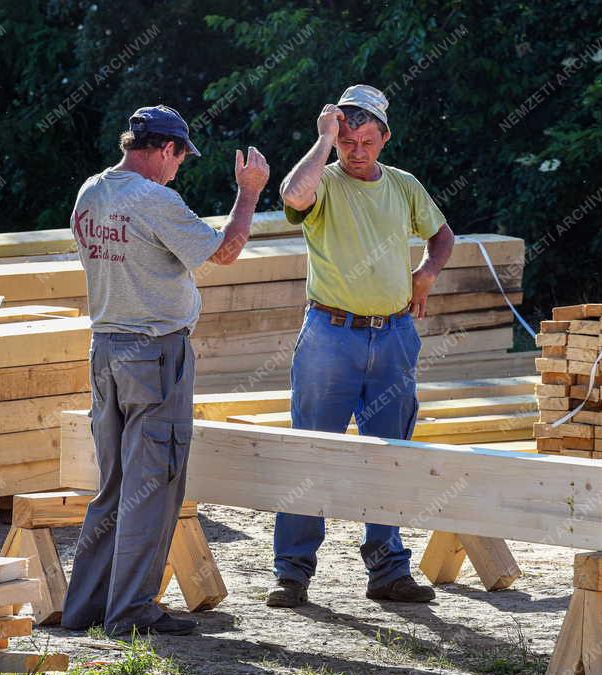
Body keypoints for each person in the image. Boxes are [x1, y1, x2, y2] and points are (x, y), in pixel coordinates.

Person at [61, 105, 269, 636]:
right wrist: (248, 192)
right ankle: (130, 612)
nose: (180, 169)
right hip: (154, 353)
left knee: (112, 486)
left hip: (105, 349)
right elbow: (224, 252)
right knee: (153, 485)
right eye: (180, 157)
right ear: (166, 149)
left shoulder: (92, 191)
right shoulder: (155, 199)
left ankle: (86, 606)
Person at [270, 84, 456, 608]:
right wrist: (323, 139)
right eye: (348, 140)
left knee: (391, 455)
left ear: (384, 139)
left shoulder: (402, 186)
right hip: (331, 334)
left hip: (394, 333)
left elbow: (443, 236)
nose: (357, 151)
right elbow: (292, 196)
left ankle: (388, 569)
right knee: (311, 451)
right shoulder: (323, 180)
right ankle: (293, 573)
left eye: (367, 141)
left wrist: (426, 273)